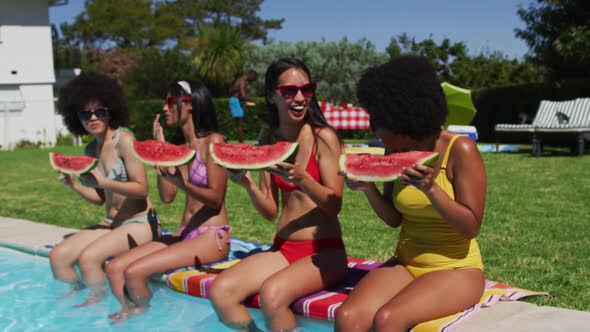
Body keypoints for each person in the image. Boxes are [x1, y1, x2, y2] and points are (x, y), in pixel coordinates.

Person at [335, 56, 486, 332]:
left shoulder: (460, 150)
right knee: (348, 317)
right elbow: (394, 219)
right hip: (405, 262)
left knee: (388, 319)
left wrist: (431, 190)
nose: (374, 131)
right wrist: (368, 189)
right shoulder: (395, 150)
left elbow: (471, 226)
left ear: (403, 120)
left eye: (377, 122)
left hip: (457, 270)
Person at [210, 58, 348, 331]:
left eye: (306, 90)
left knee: (271, 296)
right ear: (272, 96)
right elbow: (270, 211)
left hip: (325, 251)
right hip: (283, 248)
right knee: (221, 291)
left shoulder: (324, 137)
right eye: (289, 91)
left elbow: (334, 205)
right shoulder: (269, 142)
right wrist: (248, 183)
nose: (299, 98)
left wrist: (303, 179)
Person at [105, 80, 230, 323]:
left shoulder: (214, 142)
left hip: (212, 236)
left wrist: (183, 183)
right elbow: (167, 196)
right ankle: (130, 315)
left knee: (134, 272)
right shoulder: (181, 148)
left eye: (170, 102)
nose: (164, 108)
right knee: (114, 268)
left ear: (190, 104)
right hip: (185, 233)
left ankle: (144, 321)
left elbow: (215, 199)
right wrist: (160, 151)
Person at [50, 72, 158, 307]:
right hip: (112, 224)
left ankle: (100, 308)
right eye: (85, 113)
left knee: (89, 258)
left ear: (111, 111)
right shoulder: (91, 150)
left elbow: (141, 189)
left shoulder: (124, 141)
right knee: (58, 256)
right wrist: (74, 185)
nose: (93, 118)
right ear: (75, 117)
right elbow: (100, 199)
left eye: (99, 111)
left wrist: (104, 182)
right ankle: (72, 301)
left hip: (140, 222)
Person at [228, 70, 257, 142]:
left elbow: (240, 95)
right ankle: (242, 142)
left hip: (236, 101)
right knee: (240, 124)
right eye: (254, 78)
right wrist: (253, 100)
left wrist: (245, 102)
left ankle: (241, 141)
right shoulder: (243, 81)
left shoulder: (240, 79)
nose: (253, 81)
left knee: (239, 124)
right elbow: (243, 95)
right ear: (251, 75)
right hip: (235, 101)